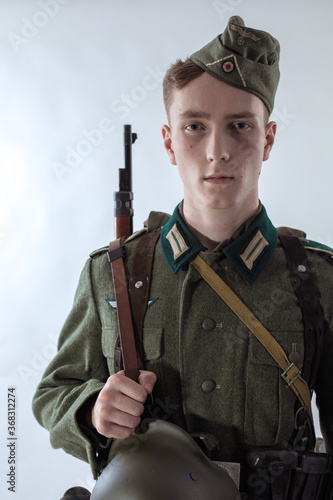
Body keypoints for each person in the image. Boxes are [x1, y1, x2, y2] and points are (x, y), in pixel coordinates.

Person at [32, 15, 333, 497]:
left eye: (240, 126)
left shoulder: (317, 280)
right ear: (170, 142)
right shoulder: (112, 273)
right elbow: (52, 394)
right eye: (195, 126)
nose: (217, 151)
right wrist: (92, 411)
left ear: (268, 139)